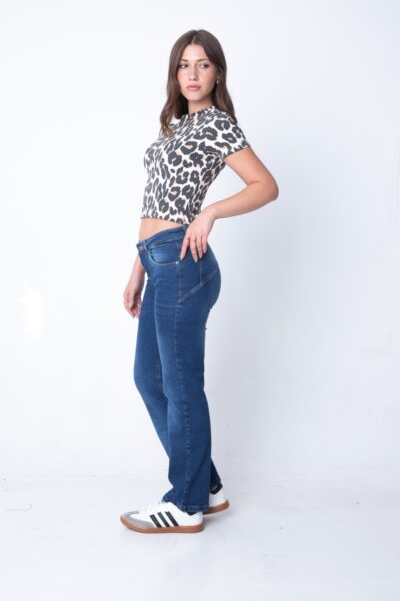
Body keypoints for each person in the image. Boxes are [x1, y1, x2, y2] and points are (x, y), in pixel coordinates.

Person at [120, 29, 279, 534]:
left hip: (183, 263)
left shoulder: (216, 124)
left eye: (203, 64)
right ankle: (207, 488)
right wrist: (137, 267)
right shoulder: (174, 128)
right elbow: (155, 200)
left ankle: (185, 505)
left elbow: (265, 186)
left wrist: (209, 212)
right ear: (175, 73)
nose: (192, 74)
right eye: (184, 65)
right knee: (150, 378)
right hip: (158, 262)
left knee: (180, 382)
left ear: (217, 73)